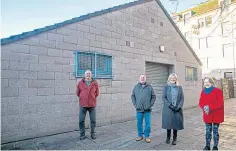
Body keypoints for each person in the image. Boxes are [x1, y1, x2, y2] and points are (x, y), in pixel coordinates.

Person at [199, 77, 224, 150]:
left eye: (208, 82)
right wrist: (204, 107)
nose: (206, 83)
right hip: (207, 115)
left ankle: (215, 146)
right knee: (208, 132)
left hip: (216, 115)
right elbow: (200, 102)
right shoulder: (203, 92)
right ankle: (207, 146)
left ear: (211, 82)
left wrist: (209, 107)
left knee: (215, 132)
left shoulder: (218, 91)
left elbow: (220, 103)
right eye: (205, 82)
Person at [131, 74, 156, 143]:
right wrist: (135, 104)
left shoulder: (149, 87)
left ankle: (147, 136)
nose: (142, 79)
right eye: (141, 78)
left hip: (147, 109)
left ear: (145, 79)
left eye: (143, 78)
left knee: (148, 123)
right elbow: (133, 96)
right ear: (139, 79)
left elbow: (153, 96)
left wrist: (150, 105)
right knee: (139, 123)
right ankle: (140, 135)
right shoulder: (136, 87)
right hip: (139, 109)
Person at [162, 73, 184, 145]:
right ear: (169, 79)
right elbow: (163, 97)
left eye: (174, 78)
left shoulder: (179, 87)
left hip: (177, 108)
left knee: (175, 124)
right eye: (171, 78)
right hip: (169, 108)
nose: (173, 79)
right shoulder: (166, 87)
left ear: (176, 79)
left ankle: (175, 138)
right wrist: (170, 105)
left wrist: (179, 107)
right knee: (169, 123)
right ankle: (168, 137)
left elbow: (182, 98)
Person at [76, 70, 99, 140]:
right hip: (83, 105)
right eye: (87, 74)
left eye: (89, 74)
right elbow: (78, 93)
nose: (88, 75)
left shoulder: (95, 83)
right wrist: (83, 98)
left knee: (93, 120)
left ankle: (93, 133)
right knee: (81, 120)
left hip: (92, 105)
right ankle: (82, 134)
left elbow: (97, 93)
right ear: (84, 75)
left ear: (91, 75)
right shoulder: (80, 83)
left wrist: (92, 97)